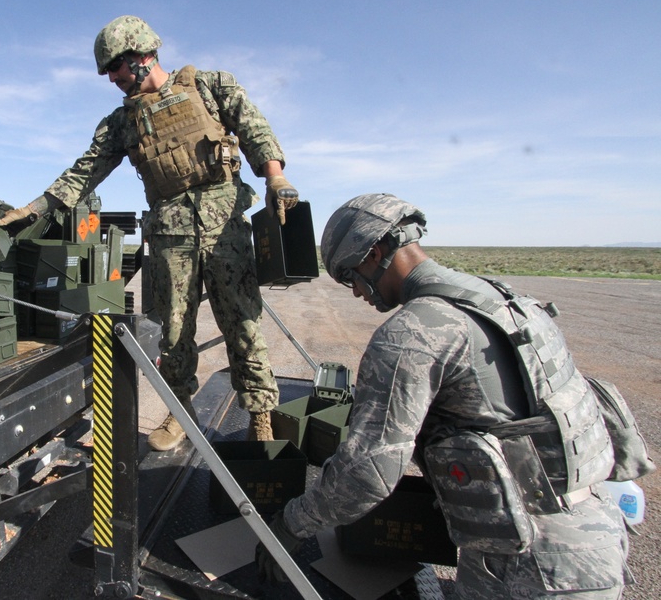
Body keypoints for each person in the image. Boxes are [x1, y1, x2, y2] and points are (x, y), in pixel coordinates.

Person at [257, 193, 637, 598]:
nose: (355, 292)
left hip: (529, 566)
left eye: (350, 275)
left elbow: (368, 472)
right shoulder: (499, 297)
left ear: (376, 251)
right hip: (593, 535)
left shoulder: (413, 333)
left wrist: (290, 524)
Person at [0, 15, 299, 450]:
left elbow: (254, 128)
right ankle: (179, 414)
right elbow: (86, 171)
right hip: (169, 236)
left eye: (116, 67)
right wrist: (36, 207)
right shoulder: (121, 122)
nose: (113, 78)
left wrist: (275, 178)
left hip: (225, 226)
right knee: (174, 335)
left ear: (141, 54)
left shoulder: (210, 86)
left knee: (245, 327)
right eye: (109, 72)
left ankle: (261, 417)